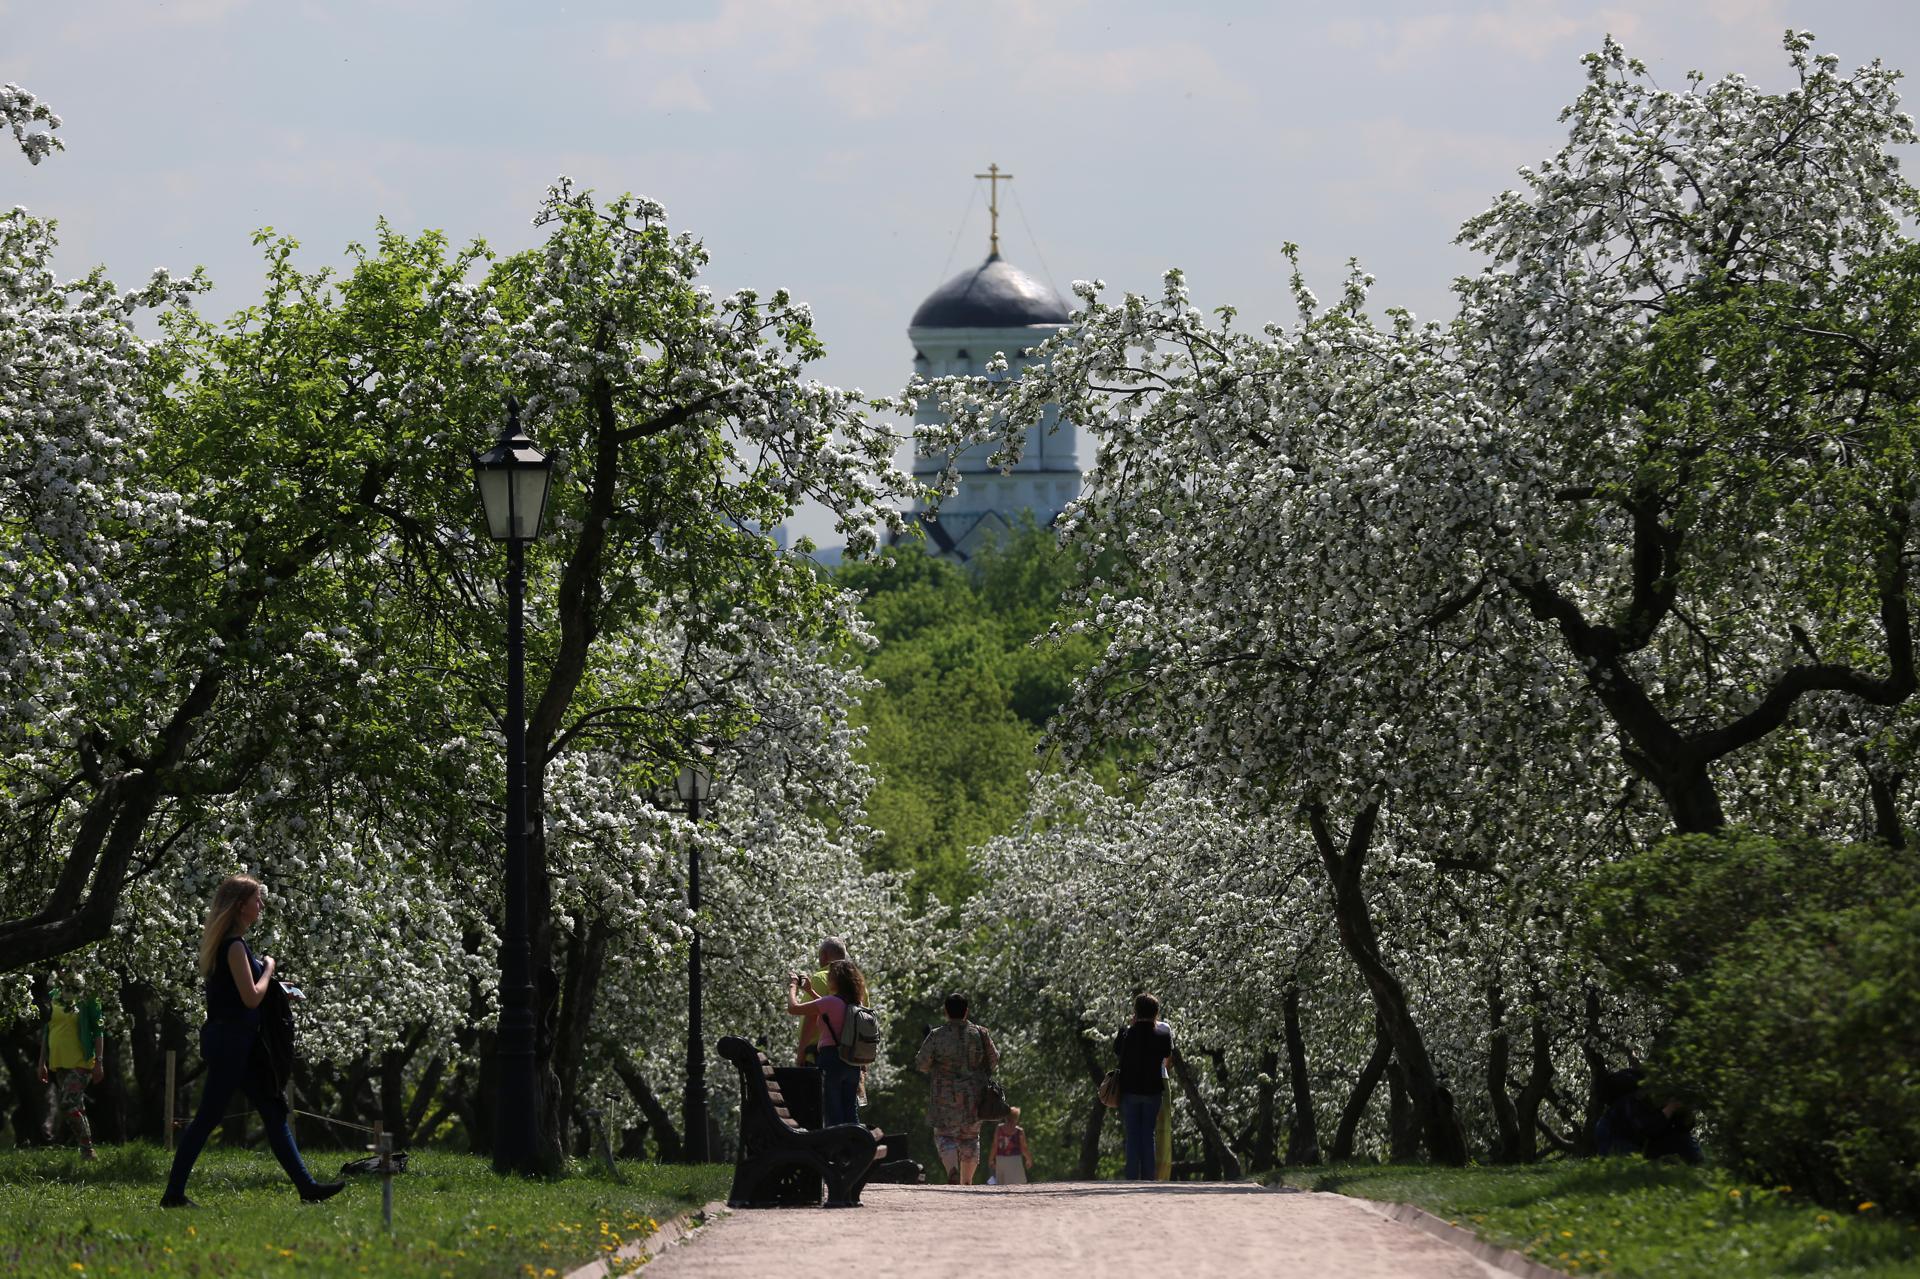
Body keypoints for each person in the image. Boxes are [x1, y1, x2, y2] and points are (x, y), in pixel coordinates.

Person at [161, 874, 344, 1207]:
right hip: (232, 1044)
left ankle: (307, 1187)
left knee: (273, 1111)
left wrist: (275, 984)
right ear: (240, 905)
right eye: (257, 899)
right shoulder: (233, 947)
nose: (261, 905)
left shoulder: (233, 946)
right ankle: (173, 1194)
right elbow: (251, 997)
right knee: (207, 1119)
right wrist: (270, 968)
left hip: (240, 1043)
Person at [915, 993, 999, 1186]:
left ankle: (952, 1169)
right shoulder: (980, 1033)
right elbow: (994, 1061)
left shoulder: (936, 1035)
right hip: (975, 1097)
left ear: (946, 1012)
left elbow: (922, 1064)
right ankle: (966, 1181)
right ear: (966, 1011)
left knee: (945, 1134)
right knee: (970, 1137)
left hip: (944, 1096)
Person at [785, 957, 868, 1126]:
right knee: (849, 1110)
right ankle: (855, 1147)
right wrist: (809, 990)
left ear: (836, 979)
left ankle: (836, 1149)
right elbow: (826, 1008)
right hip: (852, 1062)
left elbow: (793, 1008)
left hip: (831, 1059)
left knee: (833, 1111)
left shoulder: (830, 1002)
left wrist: (793, 986)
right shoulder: (855, 1003)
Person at [38, 970, 106, 1160]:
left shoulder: (88, 997)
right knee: (76, 1105)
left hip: (81, 1061)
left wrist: (99, 1062)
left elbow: (99, 1031)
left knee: (68, 1103)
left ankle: (87, 1147)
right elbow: (46, 1031)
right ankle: (87, 1152)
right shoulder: (53, 996)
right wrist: (41, 1063)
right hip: (58, 1061)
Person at [1114, 992, 1173, 1180]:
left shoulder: (1126, 1033)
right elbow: (1167, 1054)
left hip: (1130, 1090)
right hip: (1153, 1090)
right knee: (1148, 1133)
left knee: (1132, 1134)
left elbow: (1117, 1050)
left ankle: (1131, 1176)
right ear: (1156, 1012)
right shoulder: (1162, 1035)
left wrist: (1131, 1027)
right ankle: (1149, 1177)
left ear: (1135, 1012)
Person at [795, 936, 850, 1066]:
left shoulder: (821, 978)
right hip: (850, 1059)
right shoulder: (858, 984)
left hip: (819, 1057)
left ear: (824, 955)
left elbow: (811, 1018)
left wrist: (801, 1053)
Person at [991, 1105, 1032, 1186]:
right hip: (1015, 1160)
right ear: (1016, 1118)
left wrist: (991, 1159)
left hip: (1001, 1159)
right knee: (1017, 1185)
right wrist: (1029, 1159)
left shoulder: (999, 1129)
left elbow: (995, 1145)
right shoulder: (1019, 1131)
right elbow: (1024, 1148)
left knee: (1002, 1185)